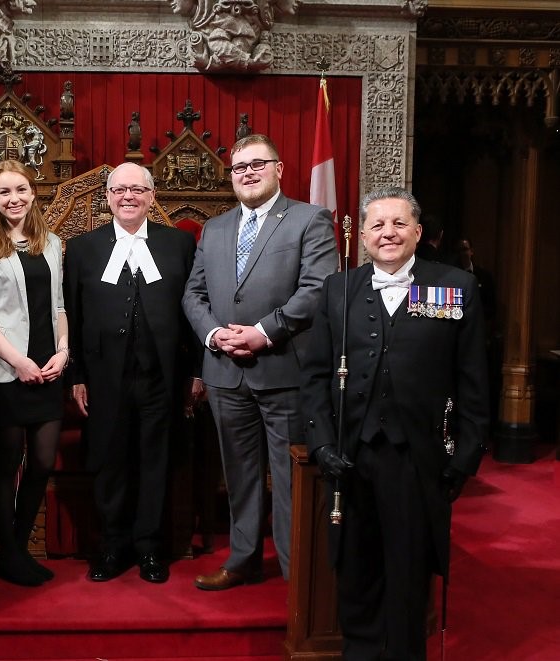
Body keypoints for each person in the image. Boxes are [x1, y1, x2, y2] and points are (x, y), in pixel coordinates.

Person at [302, 187, 489, 660]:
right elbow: (316, 376)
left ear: (418, 232)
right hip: (351, 458)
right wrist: (322, 446)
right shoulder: (338, 289)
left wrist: (464, 459)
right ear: (362, 235)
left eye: (399, 223)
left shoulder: (452, 288)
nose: (388, 232)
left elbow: (472, 380)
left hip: (416, 460)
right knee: (356, 570)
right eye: (378, 225)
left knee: (409, 575)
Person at [182, 133, 337, 589]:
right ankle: (243, 559)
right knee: (240, 474)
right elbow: (194, 293)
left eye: (257, 164)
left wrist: (263, 332)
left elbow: (317, 289)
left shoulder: (310, 220)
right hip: (225, 373)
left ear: (279, 169)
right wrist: (214, 334)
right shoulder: (215, 228)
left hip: (284, 371)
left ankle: (297, 574)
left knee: (291, 479)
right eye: (239, 167)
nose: (247, 173)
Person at [64, 162, 200, 584]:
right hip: (105, 379)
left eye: (137, 190)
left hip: (162, 376)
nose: (128, 196)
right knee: (110, 463)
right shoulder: (83, 248)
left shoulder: (178, 244)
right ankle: (111, 546)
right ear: (107, 196)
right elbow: (71, 312)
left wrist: (195, 371)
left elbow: (194, 308)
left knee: (155, 464)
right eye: (119, 189)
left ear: (151, 196)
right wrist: (77, 375)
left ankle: (149, 550)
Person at [0, 160, 69, 587]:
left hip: (48, 367)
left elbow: (59, 306)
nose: (14, 199)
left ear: (32, 192)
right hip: (7, 371)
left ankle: (20, 547)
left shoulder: (53, 243)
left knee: (42, 462)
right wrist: (16, 361)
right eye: (5, 192)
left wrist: (64, 351)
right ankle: (7, 552)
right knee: (7, 464)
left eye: (20, 190)